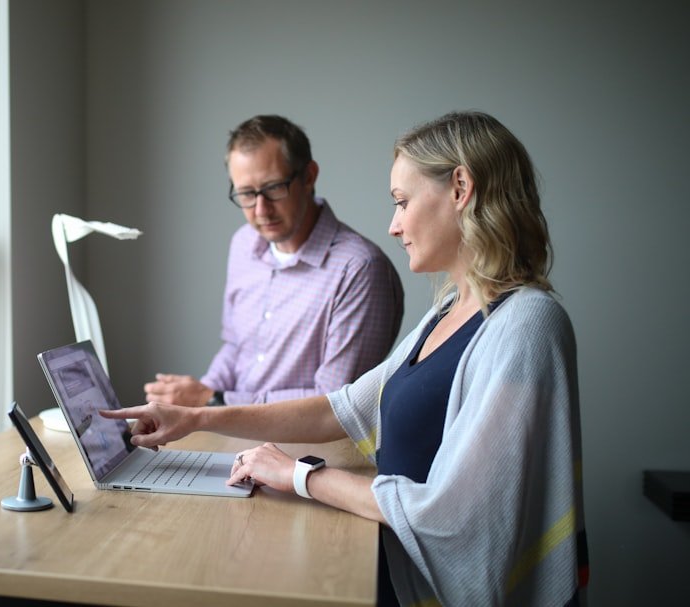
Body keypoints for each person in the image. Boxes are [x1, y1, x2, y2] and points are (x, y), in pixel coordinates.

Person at [109, 111, 588, 606]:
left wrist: (300, 476)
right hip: (394, 562)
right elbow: (339, 407)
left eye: (402, 202)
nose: (394, 224)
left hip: (426, 586)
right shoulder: (448, 311)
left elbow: (452, 515)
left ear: (461, 188)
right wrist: (192, 417)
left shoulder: (528, 325)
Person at [145, 115, 404, 407]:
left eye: (273, 188)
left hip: (305, 450)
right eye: (245, 193)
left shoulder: (359, 268)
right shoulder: (243, 243)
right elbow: (235, 348)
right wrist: (192, 399)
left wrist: (214, 401)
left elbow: (333, 403)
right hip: (231, 433)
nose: (260, 210)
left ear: (308, 176)